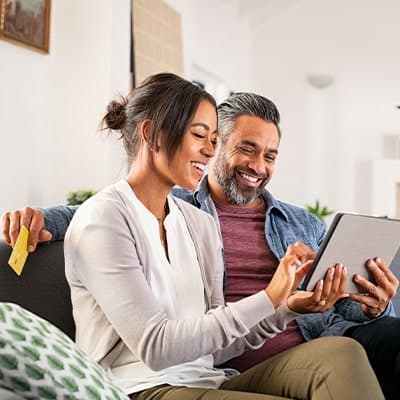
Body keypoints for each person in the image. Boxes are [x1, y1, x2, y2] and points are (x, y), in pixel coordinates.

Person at [0, 81, 387, 399]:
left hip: (210, 378)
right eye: (199, 135)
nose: (209, 150)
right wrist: (270, 296)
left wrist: (287, 308)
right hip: (142, 387)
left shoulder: (198, 223)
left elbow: (220, 347)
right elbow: (155, 347)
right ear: (151, 134)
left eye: (214, 139)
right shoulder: (103, 218)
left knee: (342, 353)